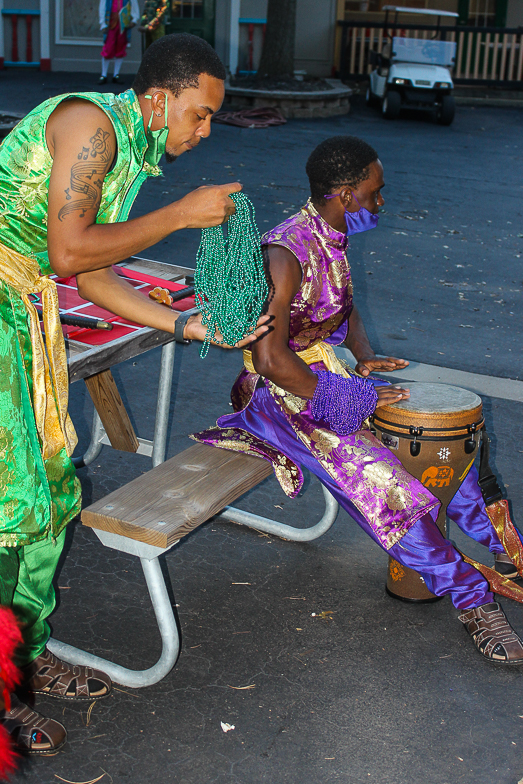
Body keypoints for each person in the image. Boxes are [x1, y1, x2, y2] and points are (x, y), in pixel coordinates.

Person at [0, 33, 268, 755]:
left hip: (21, 311)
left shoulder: (129, 144)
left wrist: (190, 324)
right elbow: (68, 253)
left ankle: (22, 653)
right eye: (201, 114)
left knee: (51, 491)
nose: (206, 130)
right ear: (159, 98)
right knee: (11, 501)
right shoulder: (91, 126)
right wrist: (180, 215)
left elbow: (93, 272)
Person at [193, 135, 523, 667]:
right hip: (282, 396)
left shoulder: (329, 232)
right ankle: (472, 598)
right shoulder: (284, 252)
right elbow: (269, 360)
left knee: (436, 450)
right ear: (344, 194)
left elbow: (345, 306)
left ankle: (509, 547)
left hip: (328, 377)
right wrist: (350, 397)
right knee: (385, 484)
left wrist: (362, 358)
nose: (381, 202)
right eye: (374, 193)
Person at [98, 0, 140, 85]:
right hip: (111, 23)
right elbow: (102, 7)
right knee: (108, 49)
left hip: (123, 24)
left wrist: (134, 19)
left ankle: (116, 75)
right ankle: (103, 75)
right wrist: (103, 23)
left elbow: (134, 5)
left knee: (120, 48)